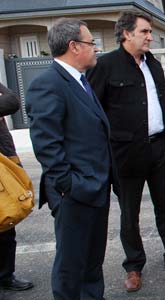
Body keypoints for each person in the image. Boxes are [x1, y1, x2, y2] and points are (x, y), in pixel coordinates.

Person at [86, 11, 165, 292]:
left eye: (150, 32)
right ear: (126, 33)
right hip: (125, 153)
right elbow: (92, 112)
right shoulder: (105, 65)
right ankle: (134, 266)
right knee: (129, 213)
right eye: (144, 31)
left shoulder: (153, 64)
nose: (149, 36)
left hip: (158, 147)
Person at [26, 18, 114, 299]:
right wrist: (69, 185)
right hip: (75, 193)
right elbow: (46, 144)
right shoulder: (48, 84)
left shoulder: (80, 81)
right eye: (91, 43)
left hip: (94, 188)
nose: (96, 49)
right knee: (71, 268)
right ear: (73, 46)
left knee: (91, 264)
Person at [0, 83, 34, 292]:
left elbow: (11, 101)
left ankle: (5, 275)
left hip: (4, 161)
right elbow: (8, 100)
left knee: (6, 220)